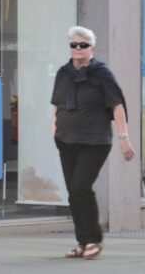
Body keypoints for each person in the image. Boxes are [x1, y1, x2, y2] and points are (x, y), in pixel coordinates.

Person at [50, 26, 135, 260]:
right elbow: (56, 102)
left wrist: (123, 138)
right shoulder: (63, 72)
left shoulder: (102, 73)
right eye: (74, 45)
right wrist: (54, 127)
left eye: (83, 45)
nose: (78, 49)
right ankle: (83, 242)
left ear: (92, 48)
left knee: (81, 187)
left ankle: (94, 239)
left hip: (95, 142)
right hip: (66, 140)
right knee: (73, 193)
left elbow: (117, 105)